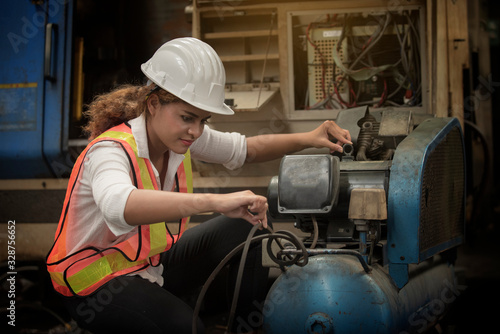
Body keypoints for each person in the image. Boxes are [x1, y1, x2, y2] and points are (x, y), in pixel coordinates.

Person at [46, 37, 351, 334]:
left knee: (248, 228)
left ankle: (248, 327)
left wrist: (309, 138)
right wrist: (216, 201)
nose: (196, 131)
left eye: (203, 120)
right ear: (153, 104)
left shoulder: (178, 133)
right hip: (94, 285)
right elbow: (118, 206)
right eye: (187, 117)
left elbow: (244, 149)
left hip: (147, 264)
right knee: (187, 328)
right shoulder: (110, 150)